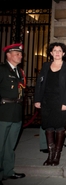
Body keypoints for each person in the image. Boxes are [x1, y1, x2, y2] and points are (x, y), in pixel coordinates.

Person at [34, 42, 66, 166]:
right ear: (51, 53)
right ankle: (50, 155)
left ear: (63, 53)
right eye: (55, 50)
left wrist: (65, 102)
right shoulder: (46, 66)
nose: (57, 53)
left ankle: (57, 155)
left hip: (60, 102)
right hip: (47, 101)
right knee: (49, 127)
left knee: (60, 128)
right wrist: (37, 99)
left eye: (59, 50)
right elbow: (39, 84)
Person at [0, 43, 26, 183]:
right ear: (8, 55)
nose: (20, 56)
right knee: (0, 145)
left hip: (16, 112)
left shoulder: (20, 71)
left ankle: (8, 171)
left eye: (20, 54)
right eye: (17, 54)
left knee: (10, 145)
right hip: (3, 111)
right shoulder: (2, 69)